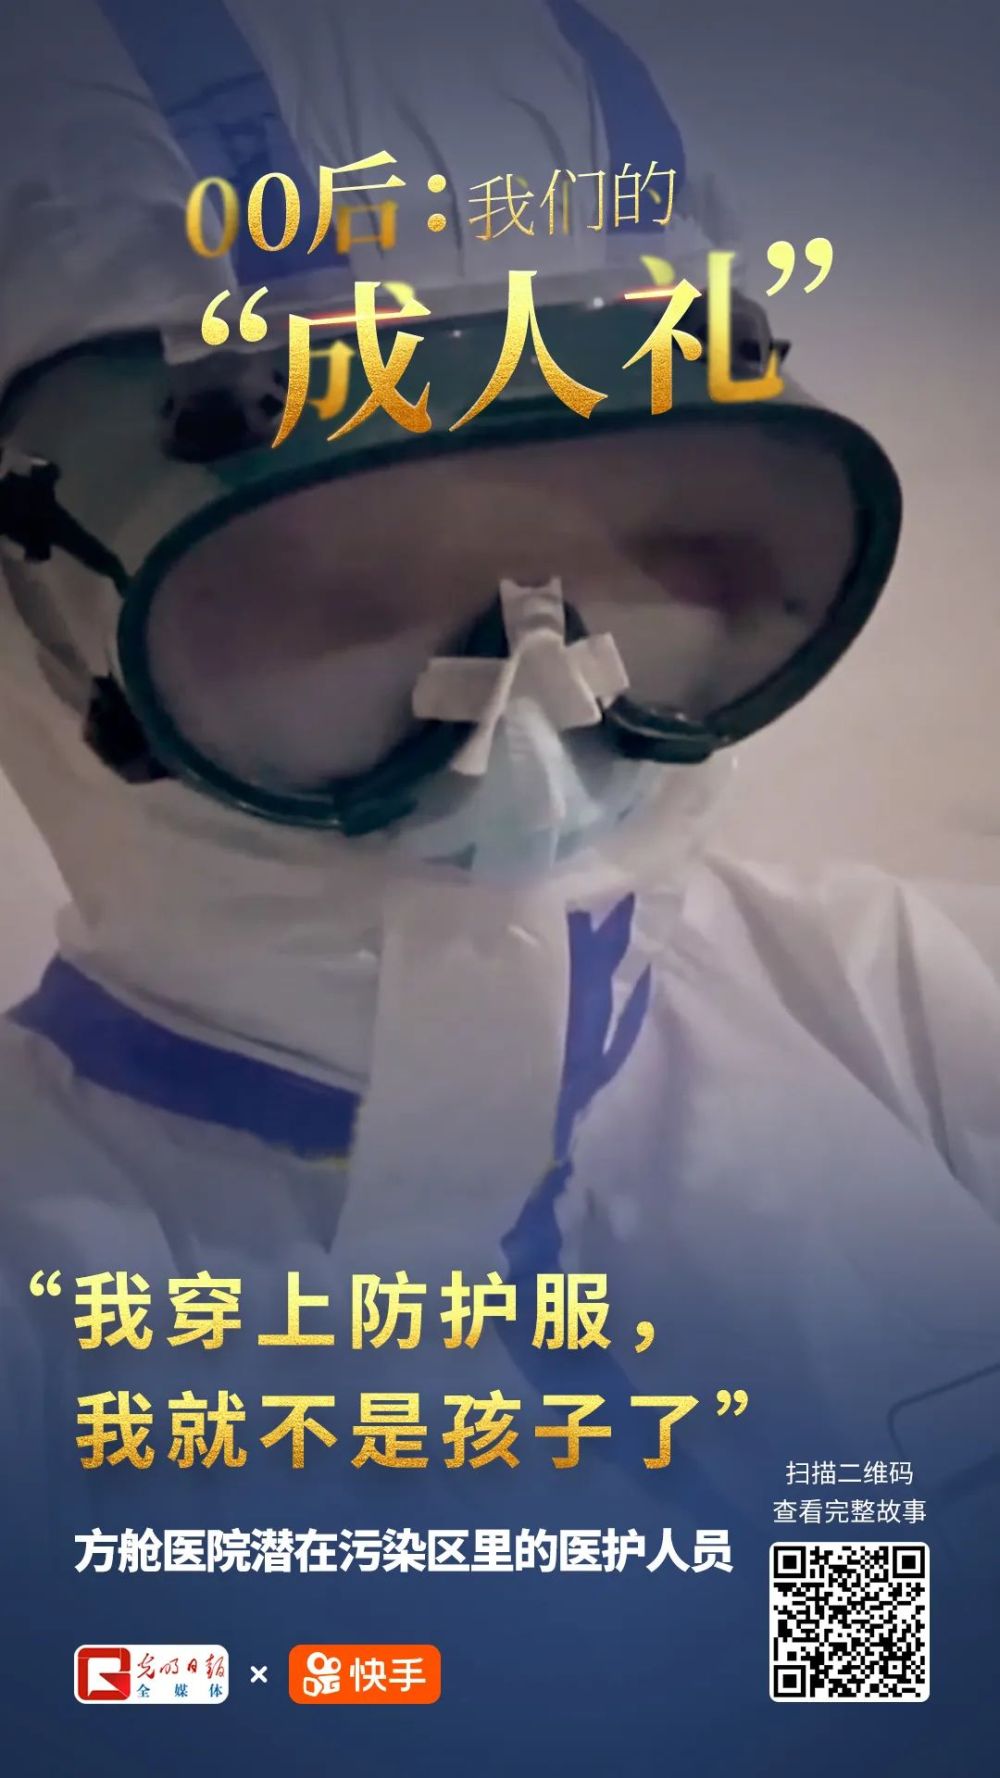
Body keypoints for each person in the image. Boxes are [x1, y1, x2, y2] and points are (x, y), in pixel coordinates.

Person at [0, 6, 998, 1770]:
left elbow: (882, 1685)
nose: (530, 739)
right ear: (57, 641)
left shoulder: (909, 1013)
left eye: (663, 558)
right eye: (336, 594)